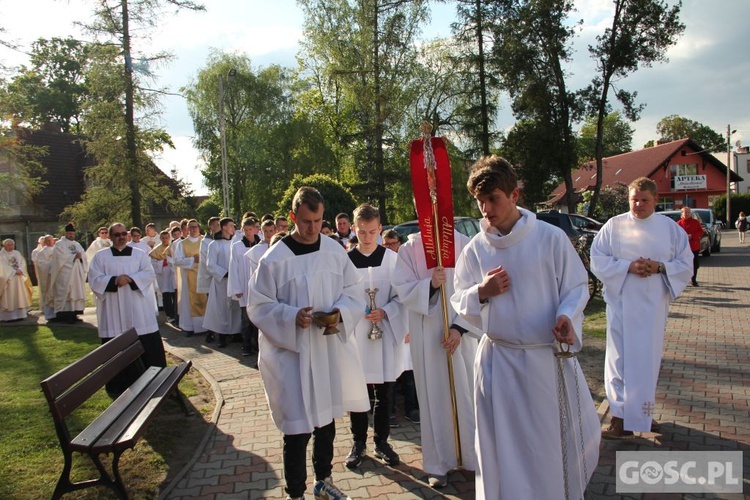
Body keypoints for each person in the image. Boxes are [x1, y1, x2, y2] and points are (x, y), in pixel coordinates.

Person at [451, 156, 600, 499]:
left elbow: (577, 286)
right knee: (502, 445)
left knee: (546, 441)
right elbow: (459, 299)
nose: (486, 209)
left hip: (542, 360)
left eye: (493, 199)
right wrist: (482, 292)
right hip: (498, 362)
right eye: (480, 201)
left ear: (514, 195)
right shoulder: (476, 249)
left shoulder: (549, 238)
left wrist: (565, 317)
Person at [247, 187, 368, 500]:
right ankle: (296, 493)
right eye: (305, 221)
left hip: (326, 349)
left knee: (326, 421)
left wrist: (340, 312)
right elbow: (258, 306)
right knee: (298, 428)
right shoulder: (274, 259)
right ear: (292, 217)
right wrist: (290, 317)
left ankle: (323, 480)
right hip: (293, 355)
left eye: (317, 220)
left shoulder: (332, 250)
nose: (312, 228)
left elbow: (353, 289)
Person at [591, 177, 693, 439]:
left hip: (652, 308)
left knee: (646, 361)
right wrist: (628, 266)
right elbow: (597, 260)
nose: (638, 205)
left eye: (644, 200)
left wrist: (659, 267)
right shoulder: (614, 226)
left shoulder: (670, 230)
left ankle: (642, 414)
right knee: (619, 360)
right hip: (622, 304)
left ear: (656, 200)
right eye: (634, 199)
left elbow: (686, 264)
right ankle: (619, 418)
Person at [393, 224, 479, 489]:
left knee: (466, 396)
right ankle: (438, 463)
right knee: (433, 398)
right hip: (428, 337)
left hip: (459, 337)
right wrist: (429, 284)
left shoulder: (465, 244)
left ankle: (473, 459)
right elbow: (403, 288)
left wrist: (460, 328)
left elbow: (477, 289)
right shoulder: (410, 249)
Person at [344, 204, 407, 470]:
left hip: (384, 335)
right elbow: (341, 297)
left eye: (372, 231)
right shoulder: (346, 263)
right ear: (354, 229)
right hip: (358, 334)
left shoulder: (393, 260)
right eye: (362, 232)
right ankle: (358, 443)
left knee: (385, 391)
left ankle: (381, 441)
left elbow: (402, 297)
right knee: (358, 392)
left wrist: (386, 310)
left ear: (380, 228)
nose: (367, 237)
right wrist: (357, 310)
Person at [88, 223, 166, 396]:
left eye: (124, 233)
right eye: (117, 234)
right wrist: (115, 281)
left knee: (146, 344)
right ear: (110, 237)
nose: (121, 237)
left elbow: (149, 274)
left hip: (139, 311)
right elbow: (94, 279)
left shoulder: (140, 255)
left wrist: (131, 279)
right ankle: (118, 386)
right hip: (113, 311)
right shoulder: (101, 257)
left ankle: (154, 381)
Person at [381, 229, 419, 426]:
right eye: (385, 244)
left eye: (392, 244)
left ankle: (412, 408)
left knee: (411, 371)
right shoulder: (383, 265)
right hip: (390, 323)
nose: (389, 248)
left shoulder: (407, 262)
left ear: (399, 244)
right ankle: (391, 411)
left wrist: (409, 327)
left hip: (409, 322)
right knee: (393, 370)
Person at [203, 217, 241, 348]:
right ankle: (222, 335)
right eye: (231, 226)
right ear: (224, 227)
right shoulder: (214, 244)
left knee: (235, 306)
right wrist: (225, 273)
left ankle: (236, 332)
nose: (233, 228)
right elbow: (210, 265)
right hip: (221, 282)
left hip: (234, 280)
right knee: (221, 308)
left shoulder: (236, 243)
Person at [241, 218, 277, 357]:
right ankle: (257, 351)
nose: (268, 234)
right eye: (266, 231)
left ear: (275, 231)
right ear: (261, 231)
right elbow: (254, 274)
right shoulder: (256, 251)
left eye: (271, 231)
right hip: (262, 290)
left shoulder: (279, 247)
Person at [172, 219, 208, 337]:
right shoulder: (181, 244)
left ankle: (206, 327)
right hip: (189, 277)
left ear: (199, 227)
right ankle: (190, 327)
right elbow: (177, 261)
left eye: (195, 227)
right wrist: (192, 259)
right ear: (187, 229)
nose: (193, 229)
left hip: (204, 276)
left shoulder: (206, 241)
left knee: (206, 301)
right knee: (189, 302)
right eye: (190, 227)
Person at [49, 223, 87, 323]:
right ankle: (64, 315)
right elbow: (59, 258)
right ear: (65, 233)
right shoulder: (59, 244)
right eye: (69, 233)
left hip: (76, 274)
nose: (71, 235)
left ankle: (74, 314)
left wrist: (81, 257)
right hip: (65, 273)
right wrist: (73, 257)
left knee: (75, 292)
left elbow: (83, 255)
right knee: (66, 293)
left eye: (72, 233)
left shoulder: (77, 244)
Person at [0, 239, 31, 322]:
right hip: (8, 280)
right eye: (8, 245)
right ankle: (9, 317)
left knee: (19, 295)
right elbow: (2, 267)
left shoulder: (17, 253)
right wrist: (14, 271)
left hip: (18, 279)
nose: (10, 247)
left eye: (12, 245)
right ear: (4, 246)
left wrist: (21, 269)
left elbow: (22, 262)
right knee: (10, 296)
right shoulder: (1, 255)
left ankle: (20, 314)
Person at [150, 230, 177, 323]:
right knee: (166, 295)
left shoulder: (173, 247)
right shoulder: (156, 250)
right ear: (160, 238)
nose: (165, 240)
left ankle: (176, 313)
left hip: (173, 273)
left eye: (167, 238)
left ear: (169, 238)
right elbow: (153, 263)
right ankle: (169, 315)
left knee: (175, 294)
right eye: (163, 238)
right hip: (163, 274)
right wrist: (163, 262)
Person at [677, 206, 703, 287]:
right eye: (685, 212)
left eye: (688, 212)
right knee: (683, 264)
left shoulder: (695, 222)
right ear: (682, 214)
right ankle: (683, 280)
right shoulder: (678, 223)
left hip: (694, 247)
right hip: (683, 248)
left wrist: (693, 236)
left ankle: (694, 280)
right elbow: (675, 235)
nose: (687, 214)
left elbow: (700, 231)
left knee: (695, 264)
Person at [33, 235, 56, 320]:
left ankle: (59, 313)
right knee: (48, 294)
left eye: (51, 240)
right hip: (48, 276)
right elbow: (40, 264)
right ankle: (50, 315)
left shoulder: (57, 250)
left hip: (56, 277)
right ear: (45, 242)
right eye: (48, 241)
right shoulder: (41, 252)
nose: (50, 242)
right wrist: (51, 266)